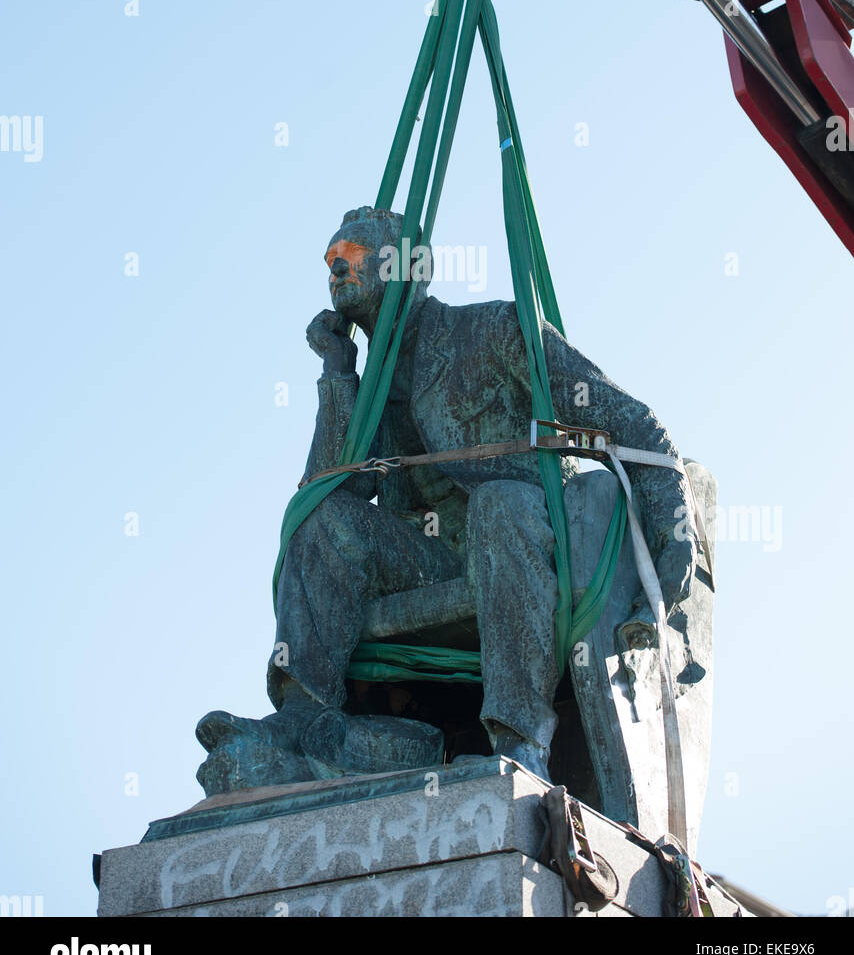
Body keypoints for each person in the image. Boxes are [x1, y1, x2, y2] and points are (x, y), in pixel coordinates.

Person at [197, 205, 697, 789]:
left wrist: (676, 546)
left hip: (525, 538)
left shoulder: (492, 330)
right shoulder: (370, 389)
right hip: (432, 560)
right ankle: (305, 719)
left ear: (409, 264)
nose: (334, 269)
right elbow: (328, 494)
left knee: (496, 505)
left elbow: (634, 428)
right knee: (324, 520)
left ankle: (521, 742)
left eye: (350, 256)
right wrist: (338, 375)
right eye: (329, 262)